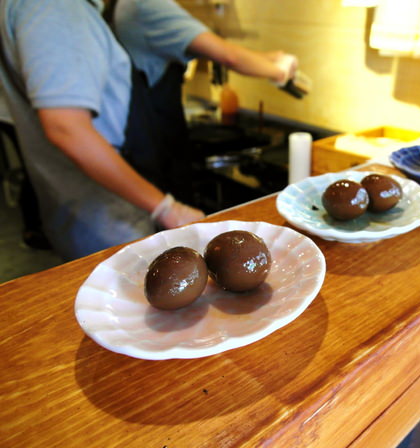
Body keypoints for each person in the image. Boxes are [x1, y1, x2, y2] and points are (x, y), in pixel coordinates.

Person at [0, 0, 205, 260]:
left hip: (76, 206)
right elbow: (66, 127)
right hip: (105, 215)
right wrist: (166, 208)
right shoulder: (55, 7)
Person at [104, 0, 298, 197]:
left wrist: (269, 58)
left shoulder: (124, 5)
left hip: (144, 142)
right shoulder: (147, 4)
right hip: (155, 149)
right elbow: (228, 56)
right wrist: (279, 72)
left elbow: (223, 50)